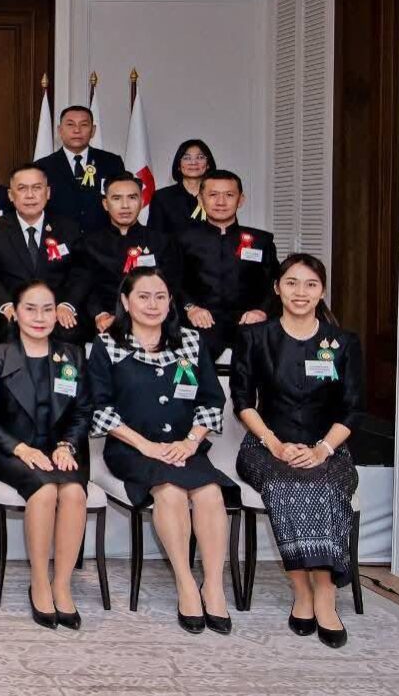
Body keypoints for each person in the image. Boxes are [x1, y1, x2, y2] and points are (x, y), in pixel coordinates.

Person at [87, 267, 235, 634]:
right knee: (169, 492)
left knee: (210, 493)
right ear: (126, 302)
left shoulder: (190, 341)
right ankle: (186, 585)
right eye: (143, 296)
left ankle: (213, 586)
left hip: (185, 447)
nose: (152, 304)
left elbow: (212, 400)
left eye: (160, 297)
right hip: (132, 449)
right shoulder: (108, 345)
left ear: (171, 302)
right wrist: (147, 446)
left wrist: (191, 442)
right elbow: (99, 409)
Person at [233, 254, 362, 648]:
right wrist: (274, 444)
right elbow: (243, 401)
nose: (300, 292)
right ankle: (301, 590)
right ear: (277, 288)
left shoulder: (343, 343)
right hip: (266, 446)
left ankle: (324, 592)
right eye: (291, 283)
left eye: (310, 284)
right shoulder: (256, 337)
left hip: (329, 448)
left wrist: (322, 449)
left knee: (323, 483)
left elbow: (352, 409)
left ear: (322, 291)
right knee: (285, 483)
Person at [0, 280, 91, 629]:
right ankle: (39, 581)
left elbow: (83, 411)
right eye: (31, 309)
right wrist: (21, 449)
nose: (40, 317)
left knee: (74, 493)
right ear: (16, 313)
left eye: (47, 309)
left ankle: (62, 585)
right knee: (45, 490)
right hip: (11, 450)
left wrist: (67, 445)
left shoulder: (72, 355)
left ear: (56, 313)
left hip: (61, 450)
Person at [0, 164, 86, 344]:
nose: (30, 195)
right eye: (22, 189)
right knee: (11, 332)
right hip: (11, 310)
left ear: (47, 192)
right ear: (11, 195)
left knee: (70, 333)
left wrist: (66, 304)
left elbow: (80, 273)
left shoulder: (68, 228)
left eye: (36, 188)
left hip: (55, 310)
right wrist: (6, 305)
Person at [178, 170, 277, 360]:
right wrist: (191, 308)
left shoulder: (261, 240)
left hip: (248, 320)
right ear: (200, 199)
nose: (221, 202)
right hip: (200, 320)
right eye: (213, 195)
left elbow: (275, 283)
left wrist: (262, 311)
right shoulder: (183, 239)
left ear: (241, 200)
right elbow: (173, 282)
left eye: (229, 195)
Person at [74, 175, 182, 339]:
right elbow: (85, 286)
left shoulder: (162, 242)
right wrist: (100, 314)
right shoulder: (89, 243)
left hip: (153, 319)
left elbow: (171, 285)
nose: (125, 205)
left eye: (132, 197)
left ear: (142, 201)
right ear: (105, 204)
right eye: (117, 198)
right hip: (106, 320)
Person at [36, 105, 126, 233]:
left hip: (103, 239)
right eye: (70, 125)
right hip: (58, 239)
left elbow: (121, 201)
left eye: (84, 125)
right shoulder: (42, 166)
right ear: (60, 130)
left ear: (93, 131)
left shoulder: (111, 162)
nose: (77, 130)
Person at [146, 139, 218, 237]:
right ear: (178, 165)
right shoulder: (162, 197)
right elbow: (154, 237)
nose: (193, 162)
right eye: (187, 158)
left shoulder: (218, 196)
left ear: (208, 164)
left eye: (200, 157)